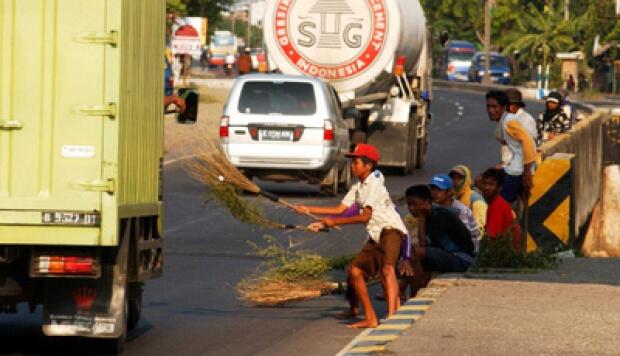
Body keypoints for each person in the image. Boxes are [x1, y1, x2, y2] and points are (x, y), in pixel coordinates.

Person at [294, 144, 407, 328]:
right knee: (355, 272)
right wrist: (309, 210)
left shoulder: (374, 184)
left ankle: (393, 317)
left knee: (388, 270)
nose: (352, 166)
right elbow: (340, 210)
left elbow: (365, 216)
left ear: (368, 165)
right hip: (377, 234)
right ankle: (371, 318)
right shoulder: (357, 187)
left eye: (356, 162)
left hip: (392, 230)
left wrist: (334, 222)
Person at [400, 185, 475, 298]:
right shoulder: (431, 214)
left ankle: (409, 293)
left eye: (414, 204)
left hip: (462, 258)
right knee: (418, 259)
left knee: (417, 252)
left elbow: (422, 245)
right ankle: (408, 290)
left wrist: (421, 217)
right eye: (409, 205)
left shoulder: (439, 215)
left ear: (426, 202)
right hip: (447, 255)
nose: (411, 208)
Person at [486, 90, 536, 204]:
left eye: (494, 107)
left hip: (517, 171)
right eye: (488, 107)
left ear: (504, 107)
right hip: (513, 167)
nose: (490, 110)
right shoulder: (504, 121)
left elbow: (528, 142)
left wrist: (527, 172)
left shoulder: (509, 121)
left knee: (501, 205)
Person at [429, 174, 481, 254]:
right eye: (433, 189)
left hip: (466, 252)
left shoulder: (460, 210)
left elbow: (463, 237)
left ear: (449, 192)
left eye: (439, 190)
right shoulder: (434, 207)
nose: (434, 193)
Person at [480, 168, 521, 251]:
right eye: (485, 183)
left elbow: (491, 239)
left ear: (499, 188)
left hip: (505, 256)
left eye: (491, 184)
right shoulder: (496, 203)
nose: (486, 187)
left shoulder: (497, 206)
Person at [449, 165, 487, 236]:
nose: (455, 180)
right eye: (453, 177)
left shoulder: (476, 201)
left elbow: (479, 228)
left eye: (459, 177)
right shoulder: (451, 196)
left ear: (466, 179)